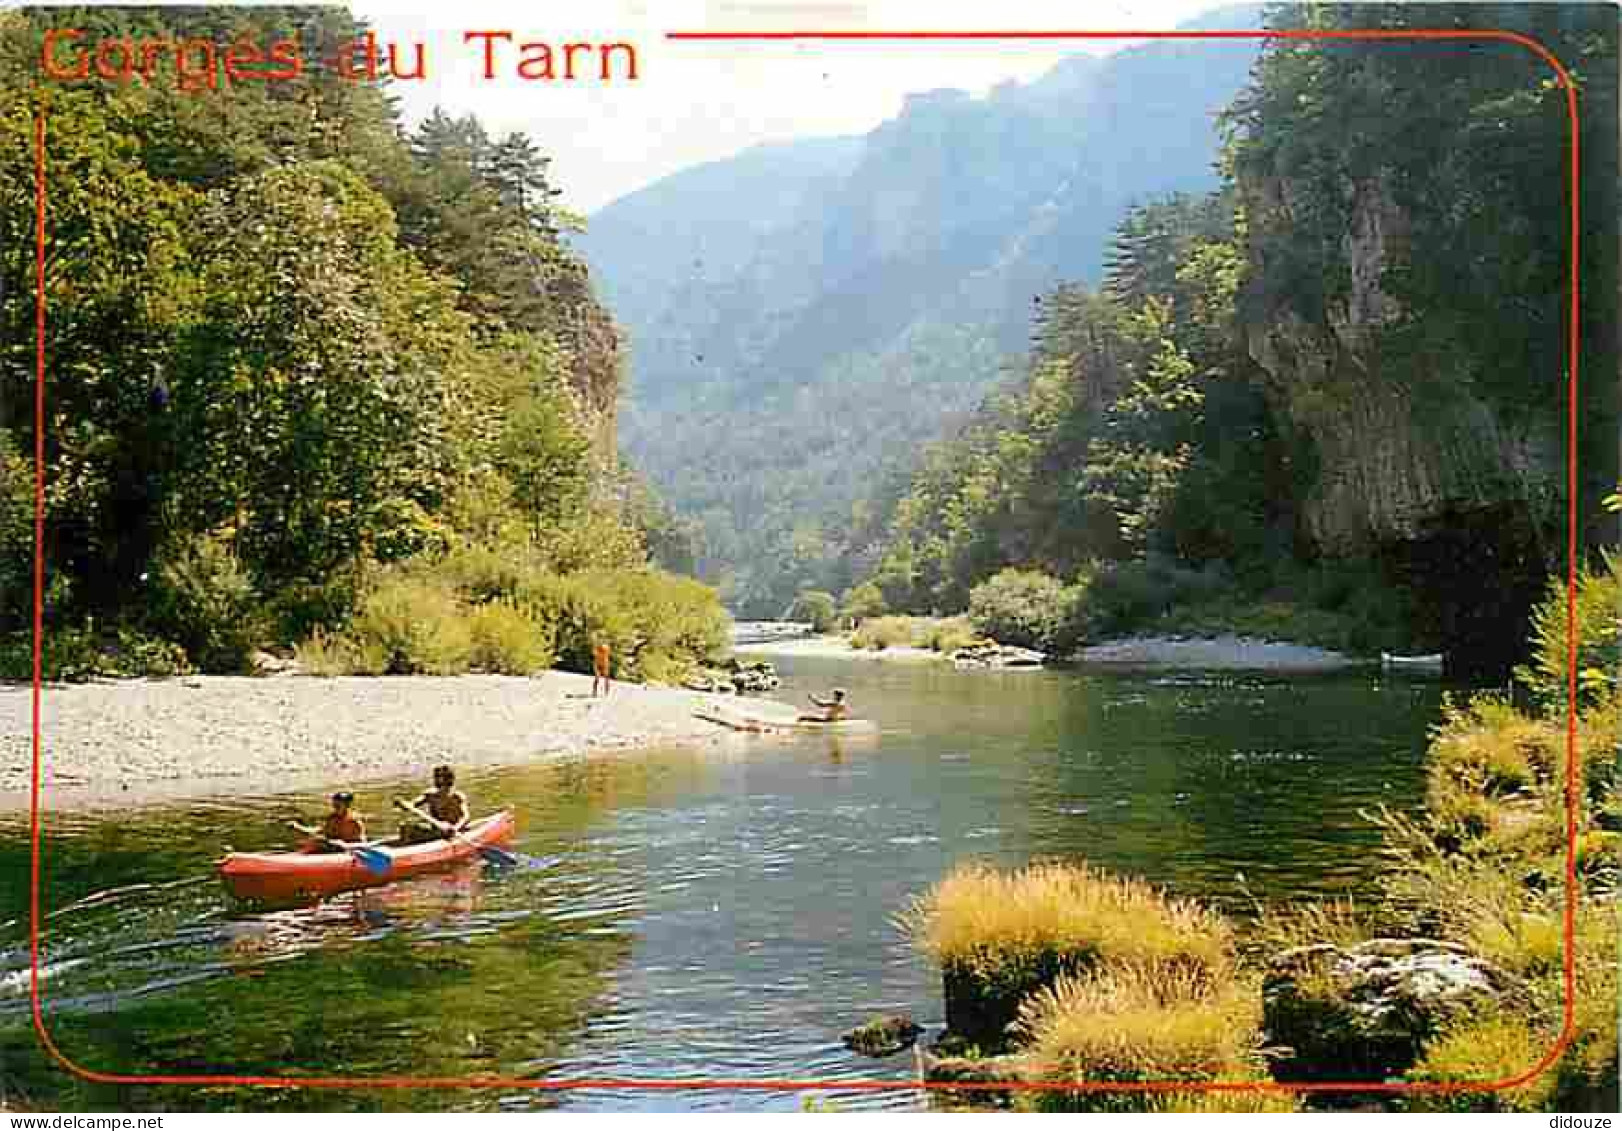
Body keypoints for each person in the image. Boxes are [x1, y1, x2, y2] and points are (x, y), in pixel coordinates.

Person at [397, 764, 471, 844]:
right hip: (437, 830)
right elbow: (413, 804)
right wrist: (404, 804)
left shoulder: (457, 797)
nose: (436, 779)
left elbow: (465, 816)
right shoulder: (430, 795)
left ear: (449, 779)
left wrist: (455, 828)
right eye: (436, 776)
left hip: (455, 831)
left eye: (439, 777)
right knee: (405, 826)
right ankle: (406, 847)